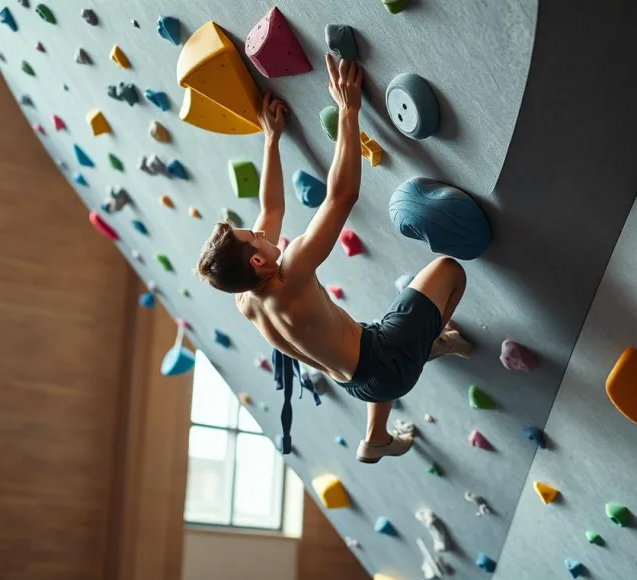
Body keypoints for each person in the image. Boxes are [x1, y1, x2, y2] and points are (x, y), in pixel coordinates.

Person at [196, 54, 472, 463]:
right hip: (385, 359)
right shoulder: (290, 272)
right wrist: (349, 109)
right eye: (252, 237)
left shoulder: (246, 297)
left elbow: (270, 211)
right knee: (450, 270)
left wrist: (270, 141)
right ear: (256, 262)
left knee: (366, 344)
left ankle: (376, 438)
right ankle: (431, 341)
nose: (259, 232)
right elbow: (341, 197)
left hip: (357, 380)